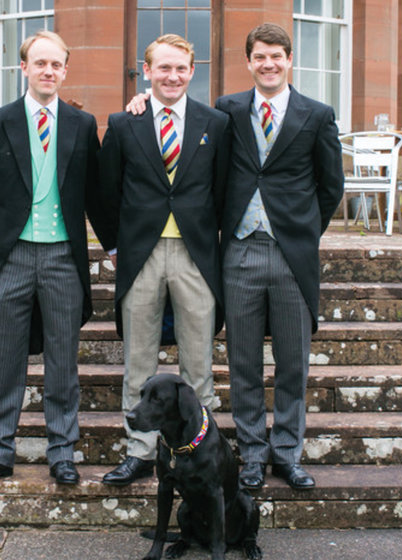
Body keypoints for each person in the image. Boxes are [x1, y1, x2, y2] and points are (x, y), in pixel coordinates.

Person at [124, 23, 343, 490]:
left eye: (277, 56)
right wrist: (140, 103)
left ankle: (287, 453)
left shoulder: (317, 114)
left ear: (289, 60)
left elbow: (330, 187)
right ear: (248, 62)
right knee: (243, 364)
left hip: (291, 256)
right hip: (238, 253)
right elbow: (184, 131)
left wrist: (301, 232)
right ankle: (251, 454)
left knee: (292, 363)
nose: (268, 64)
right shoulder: (228, 111)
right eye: (259, 56)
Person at [0, 30, 115, 485]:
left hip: (62, 259)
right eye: (40, 63)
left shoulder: (81, 124)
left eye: (56, 65)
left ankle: (62, 450)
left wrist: (112, 244)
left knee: (62, 359)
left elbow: (94, 191)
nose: (48, 71)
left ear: (65, 70)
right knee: (5, 357)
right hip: (11, 257)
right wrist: (8, 231)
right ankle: (0, 449)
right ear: (24, 68)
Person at [99, 34, 231, 486]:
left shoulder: (215, 121)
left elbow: (223, 191)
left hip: (196, 255)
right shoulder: (123, 123)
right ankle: (138, 451)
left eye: (181, 69)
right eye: (163, 68)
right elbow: (105, 191)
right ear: (148, 70)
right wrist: (115, 246)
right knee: (139, 358)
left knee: (199, 360)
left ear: (192, 72)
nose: (172, 76)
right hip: (142, 254)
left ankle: (203, 449)